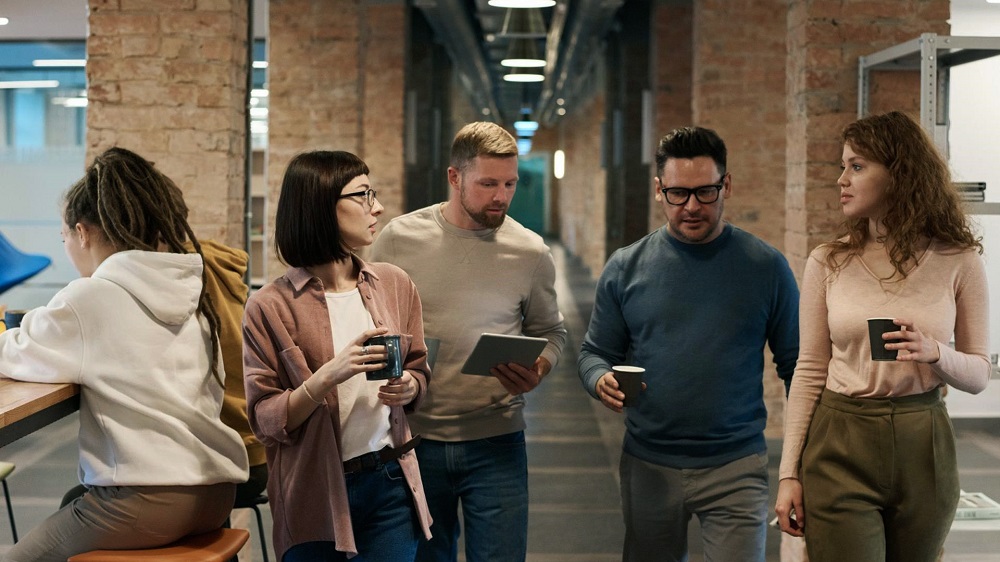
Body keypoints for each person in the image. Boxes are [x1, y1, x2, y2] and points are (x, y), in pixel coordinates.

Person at [0, 147, 250, 562]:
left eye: (63, 237)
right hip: (216, 494)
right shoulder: (191, 289)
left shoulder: (93, 296)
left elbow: (17, 354)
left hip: (145, 504)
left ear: (82, 233)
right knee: (73, 500)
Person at [774, 111, 991, 561]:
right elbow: (809, 368)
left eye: (857, 166)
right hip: (840, 439)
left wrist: (936, 353)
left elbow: (978, 374)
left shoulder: (958, 258)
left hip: (923, 442)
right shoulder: (828, 261)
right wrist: (788, 474)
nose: (841, 179)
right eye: (842, 166)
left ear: (899, 174)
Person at [578, 126, 800, 562]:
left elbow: (798, 368)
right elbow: (594, 352)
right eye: (678, 194)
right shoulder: (626, 267)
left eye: (706, 192)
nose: (693, 207)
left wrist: (799, 464)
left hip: (737, 464)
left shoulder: (767, 268)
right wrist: (598, 378)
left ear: (727, 185)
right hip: (649, 463)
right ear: (659, 191)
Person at [369, 121, 567, 562]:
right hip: (413, 441)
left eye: (510, 183)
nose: (502, 196)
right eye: (488, 183)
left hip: (497, 439)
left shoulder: (530, 252)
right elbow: (369, 324)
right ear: (454, 177)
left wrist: (539, 369)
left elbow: (551, 332)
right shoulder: (399, 240)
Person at [242, 150, 432, 562]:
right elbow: (265, 419)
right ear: (320, 207)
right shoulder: (270, 306)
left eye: (373, 193)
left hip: (389, 483)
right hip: (312, 492)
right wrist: (326, 377)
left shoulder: (393, 284)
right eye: (363, 195)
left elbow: (419, 368)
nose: (376, 207)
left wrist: (409, 386)